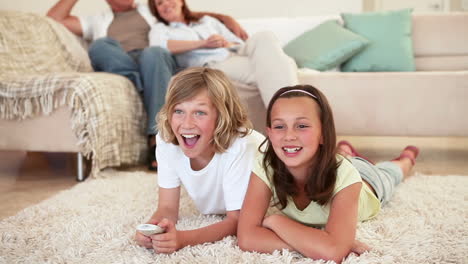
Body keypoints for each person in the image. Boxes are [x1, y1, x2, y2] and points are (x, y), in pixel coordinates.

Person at [47, 0, 248, 171]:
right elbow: (54, 19)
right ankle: (144, 83)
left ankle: (155, 137)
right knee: (100, 46)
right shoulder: (96, 20)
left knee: (153, 52)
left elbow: (182, 11)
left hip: (155, 63)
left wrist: (224, 18)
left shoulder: (150, 8)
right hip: (123, 64)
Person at [237, 85, 419, 263]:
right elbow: (246, 238)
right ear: (269, 132)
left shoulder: (346, 176)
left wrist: (275, 221)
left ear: (323, 133)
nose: (289, 136)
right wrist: (316, 244)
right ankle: (345, 151)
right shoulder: (264, 165)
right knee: (336, 157)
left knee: (391, 172)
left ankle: (406, 159)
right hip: (328, 159)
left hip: (367, 179)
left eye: (301, 126)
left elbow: (333, 252)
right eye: (279, 127)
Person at [134, 67, 265, 253]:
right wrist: (154, 230)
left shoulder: (242, 145)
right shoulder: (166, 141)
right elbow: (167, 207)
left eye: (200, 112)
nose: (187, 124)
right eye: (178, 111)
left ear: (222, 116)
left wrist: (183, 239)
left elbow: (238, 221)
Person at [148, 0, 298, 107]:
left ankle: (286, 114)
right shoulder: (160, 29)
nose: (165, 4)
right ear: (157, 12)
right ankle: (289, 112)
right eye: (159, 3)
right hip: (215, 64)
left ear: (181, 1)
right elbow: (160, 46)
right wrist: (203, 44)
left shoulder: (206, 21)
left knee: (265, 36)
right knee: (283, 65)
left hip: (236, 52)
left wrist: (227, 43)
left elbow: (237, 42)